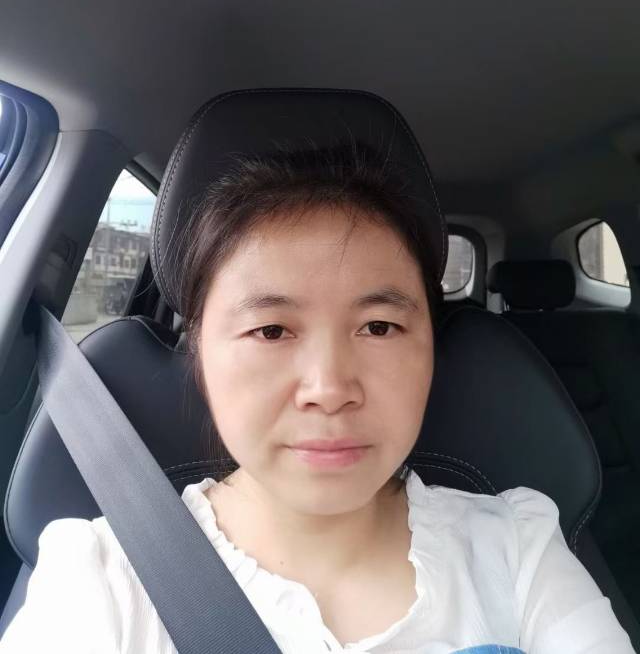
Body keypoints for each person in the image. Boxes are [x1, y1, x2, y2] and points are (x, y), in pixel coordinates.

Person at [0, 142, 634, 653]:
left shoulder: (519, 551)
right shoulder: (101, 580)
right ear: (200, 357)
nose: (329, 390)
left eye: (379, 327)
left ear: (430, 352)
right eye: (271, 331)